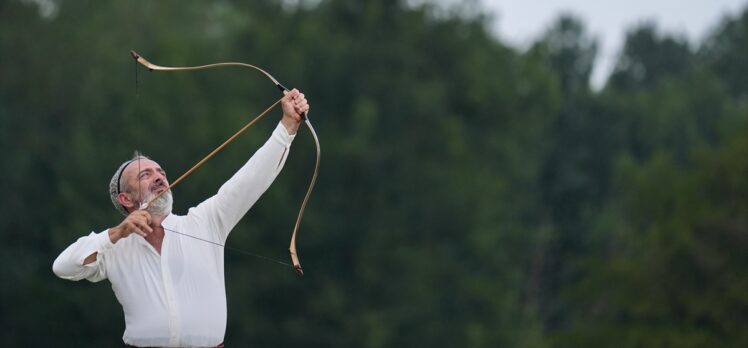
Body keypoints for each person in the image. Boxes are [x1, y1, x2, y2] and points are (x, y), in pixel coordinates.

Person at [53, 89, 309, 347]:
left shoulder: (205, 222)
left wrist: (288, 125)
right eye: (145, 175)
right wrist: (116, 233)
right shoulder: (113, 246)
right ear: (125, 199)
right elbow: (63, 267)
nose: (158, 176)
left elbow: (251, 179)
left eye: (160, 172)